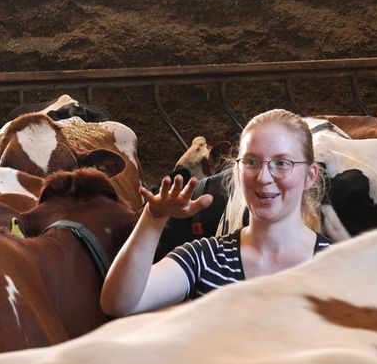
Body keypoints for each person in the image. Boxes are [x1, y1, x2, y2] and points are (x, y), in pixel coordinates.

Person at [100, 109, 331, 316]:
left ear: (310, 176)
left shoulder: (338, 265)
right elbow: (120, 303)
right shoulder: (206, 258)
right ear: (237, 170)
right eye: (251, 162)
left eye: (281, 163)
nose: (264, 178)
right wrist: (153, 218)